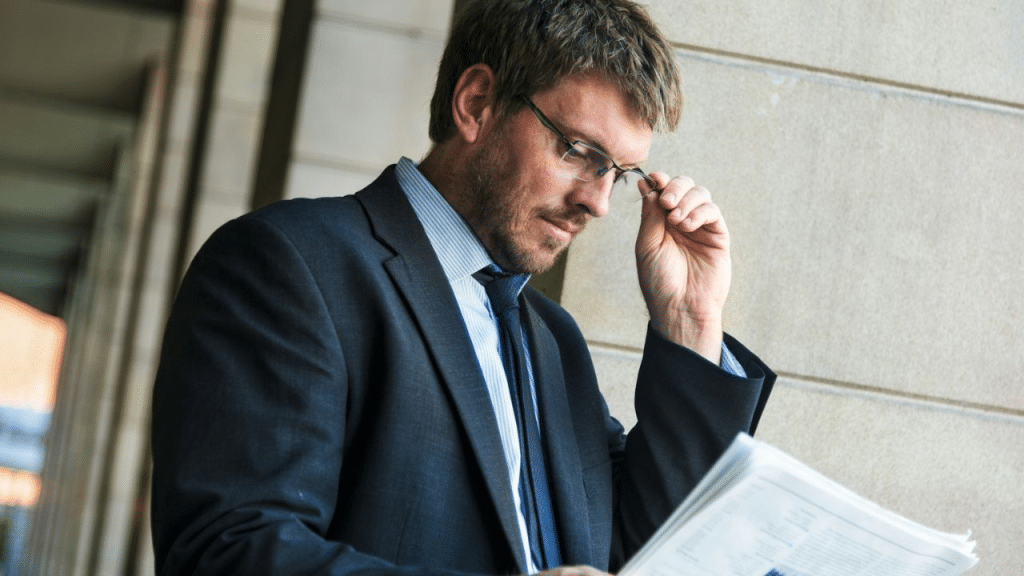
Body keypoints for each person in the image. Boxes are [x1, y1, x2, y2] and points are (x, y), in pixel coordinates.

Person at [149, 0, 775, 575]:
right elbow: (228, 551)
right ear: (475, 103)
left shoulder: (553, 340)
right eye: (577, 150)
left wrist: (690, 321)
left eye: (617, 171)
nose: (597, 201)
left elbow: (642, 550)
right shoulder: (291, 264)